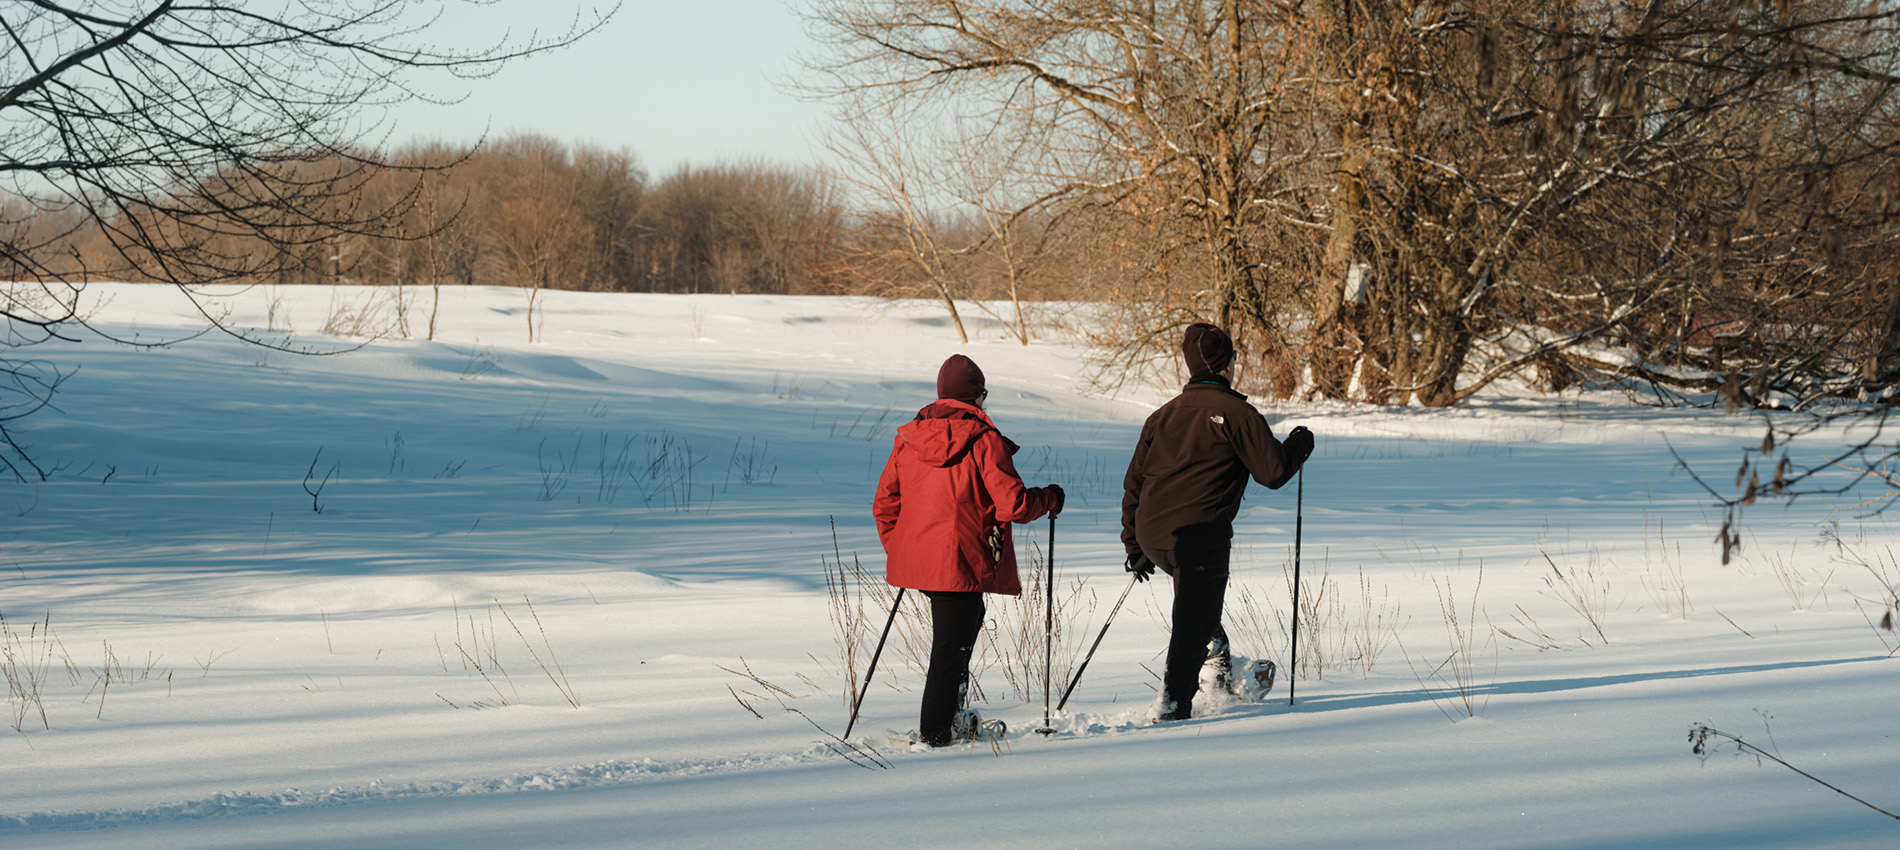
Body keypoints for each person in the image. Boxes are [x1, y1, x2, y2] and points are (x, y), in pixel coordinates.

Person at [1121, 323, 1313, 721]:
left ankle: (1220, 674)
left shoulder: (1162, 415)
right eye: (1234, 358)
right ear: (1226, 365)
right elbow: (1273, 473)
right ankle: (1172, 708)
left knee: (1198, 611)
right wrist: (1299, 445)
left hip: (1154, 536)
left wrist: (1134, 545)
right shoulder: (1237, 413)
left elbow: (1135, 481)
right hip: (1200, 537)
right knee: (1191, 627)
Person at [873, 353, 1064, 746]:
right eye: (983, 393)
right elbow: (1013, 505)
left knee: (959, 633)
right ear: (975, 395)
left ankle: (950, 721)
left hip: (928, 562)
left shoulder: (909, 437)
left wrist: (906, 550)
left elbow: (885, 505)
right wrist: (1049, 498)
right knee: (948, 650)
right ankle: (936, 736)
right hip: (959, 563)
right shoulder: (982, 438)